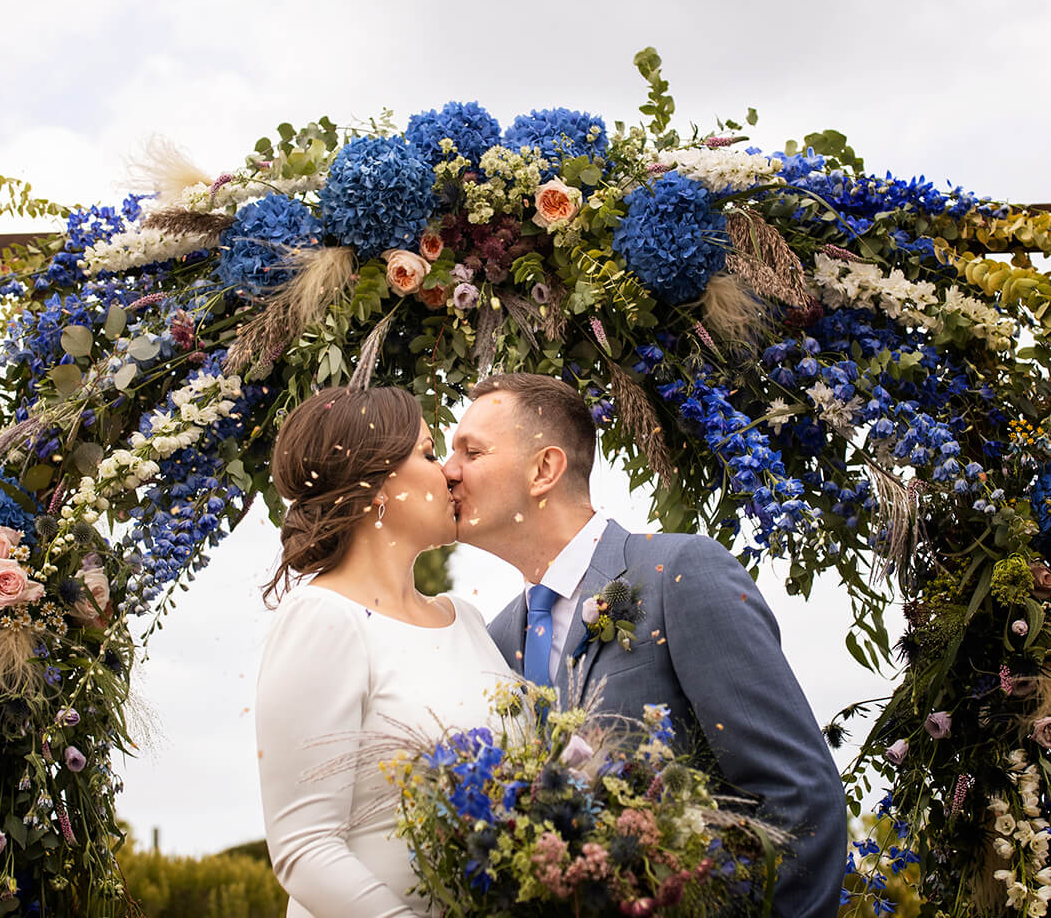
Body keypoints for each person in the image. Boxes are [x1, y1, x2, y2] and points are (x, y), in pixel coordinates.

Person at [442, 372, 847, 918]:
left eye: (471, 450)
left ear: (544, 470)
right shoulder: (495, 639)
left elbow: (800, 799)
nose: (448, 472)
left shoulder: (678, 574)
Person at [255, 386, 510, 917]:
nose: (449, 473)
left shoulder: (466, 620)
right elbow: (304, 848)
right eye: (429, 453)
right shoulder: (324, 619)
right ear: (375, 487)